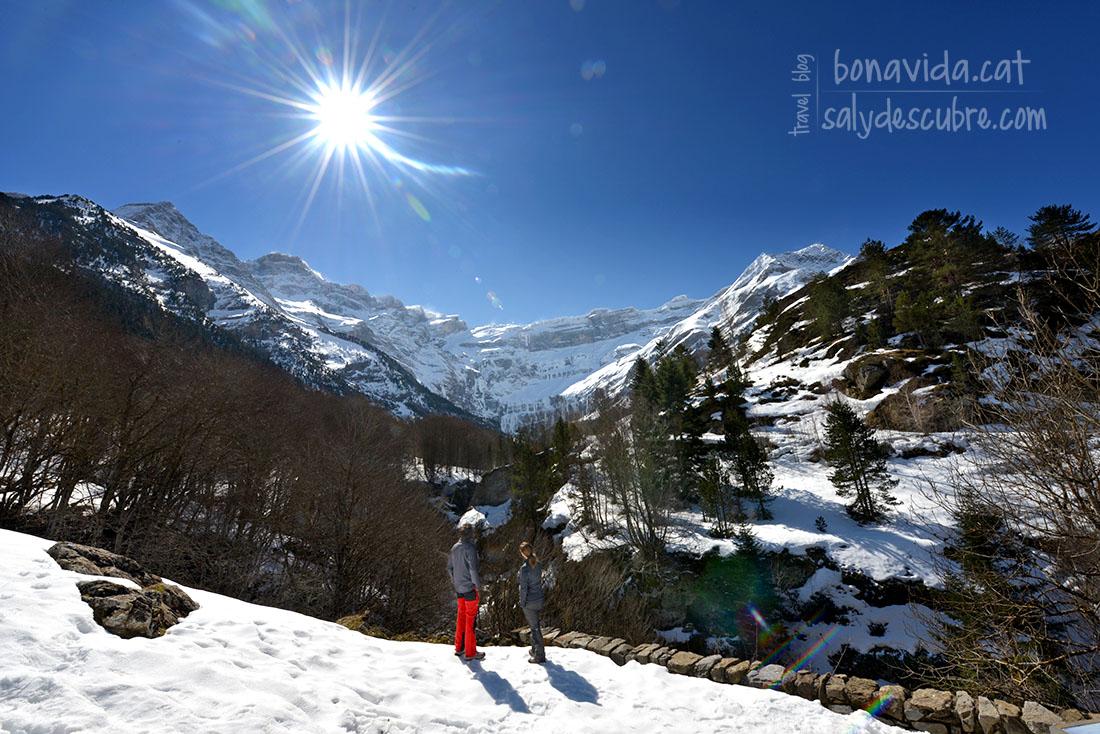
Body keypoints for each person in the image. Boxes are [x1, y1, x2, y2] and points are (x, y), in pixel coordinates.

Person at [447, 524, 484, 661]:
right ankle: (470, 652)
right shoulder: (470, 548)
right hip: (469, 588)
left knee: (461, 616)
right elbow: (473, 569)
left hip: (459, 588)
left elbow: (449, 567)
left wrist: (455, 582)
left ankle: (459, 647)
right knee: (470, 619)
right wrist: (478, 585)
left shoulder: (454, 548)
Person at [517, 540, 546, 664]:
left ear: (523, 553)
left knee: (534, 629)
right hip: (539, 598)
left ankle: (539, 656)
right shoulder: (537, 564)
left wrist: (522, 602)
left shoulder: (525, 569)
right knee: (535, 626)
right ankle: (535, 649)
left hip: (530, 601)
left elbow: (523, 588)